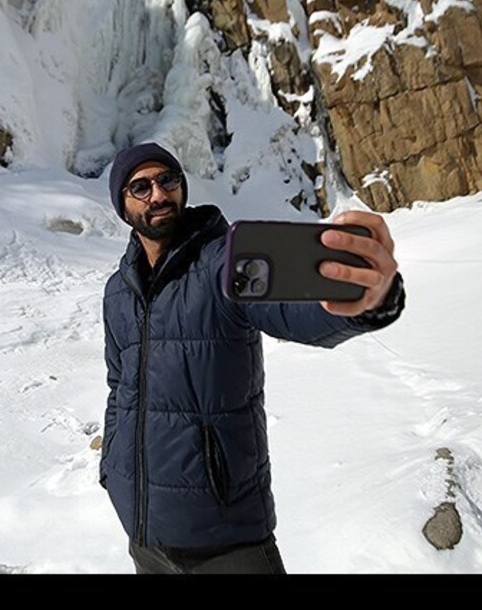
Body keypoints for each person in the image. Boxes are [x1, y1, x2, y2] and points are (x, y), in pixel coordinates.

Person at [100, 142, 405, 574]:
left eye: (168, 180)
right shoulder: (118, 291)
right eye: (141, 186)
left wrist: (369, 299)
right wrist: (112, 468)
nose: (158, 194)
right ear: (122, 203)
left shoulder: (223, 260)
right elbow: (119, 386)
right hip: (145, 536)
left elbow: (291, 311)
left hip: (227, 539)